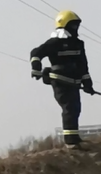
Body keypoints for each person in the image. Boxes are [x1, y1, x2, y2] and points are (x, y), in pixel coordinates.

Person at [31, 10, 94, 148]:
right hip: (60, 81)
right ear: (65, 25)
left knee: (75, 108)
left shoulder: (78, 44)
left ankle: (74, 137)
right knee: (69, 108)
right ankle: (71, 142)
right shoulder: (54, 43)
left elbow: (83, 65)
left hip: (74, 83)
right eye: (73, 25)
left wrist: (87, 82)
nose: (75, 28)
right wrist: (36, 67)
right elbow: (36, 53)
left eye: (77, 25)